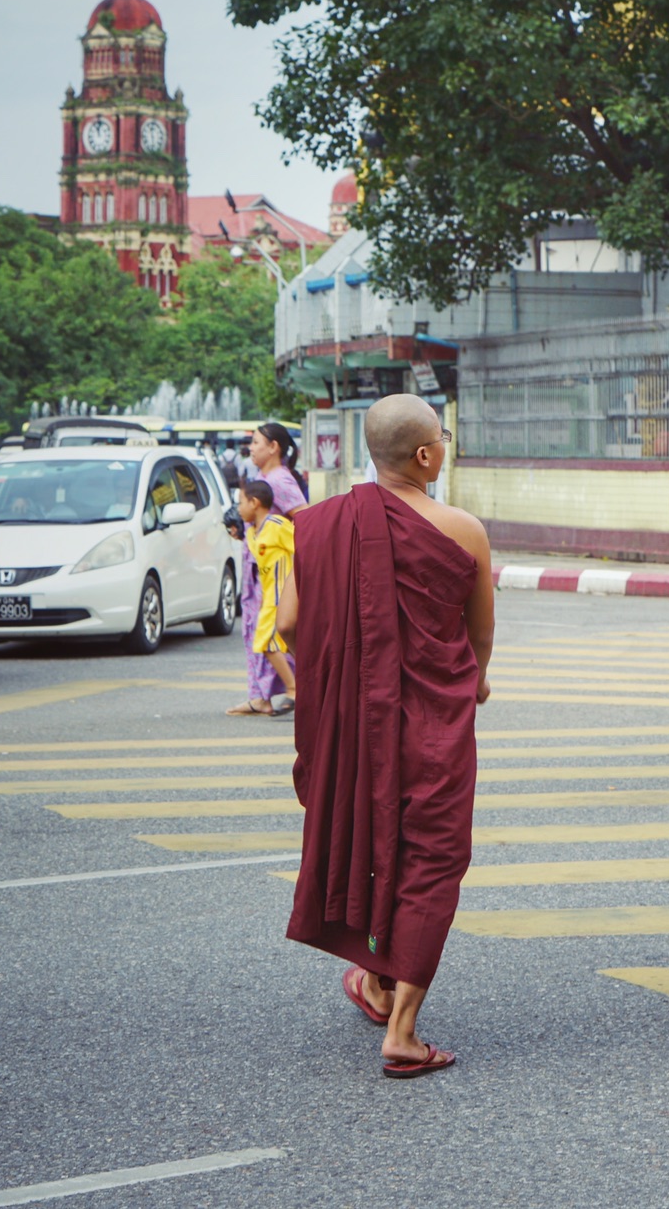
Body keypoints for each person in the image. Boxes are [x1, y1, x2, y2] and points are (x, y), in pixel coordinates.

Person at [284, 393, 494, 1078]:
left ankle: (375, 981)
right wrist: (475, 680)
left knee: (367, 838)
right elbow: (478, 632)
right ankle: (402, 1029)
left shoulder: (315, 526)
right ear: (427, 456)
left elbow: (288, 627)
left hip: (355, 719)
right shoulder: (464, 530)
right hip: (433, 721)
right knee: (431, 860)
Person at [227, 422, 308, 716]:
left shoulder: (280, 481)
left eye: (257, 442)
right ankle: (261, 696)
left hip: (276, 577)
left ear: (274, 447)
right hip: (258, 571)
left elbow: (305, 521)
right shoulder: (261, 477)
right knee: (255, 633)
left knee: (272, 634)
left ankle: (295, 689)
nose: (251, 448)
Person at [237, 479, 298, 707]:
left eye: (241, 502)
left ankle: (294, 688)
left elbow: (302, 544)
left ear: (255, 502)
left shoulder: (277, 525)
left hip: (280, 598)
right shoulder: (253, 533)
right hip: (268, 599)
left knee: (266, 644)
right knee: (281, 645)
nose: (239, 508)